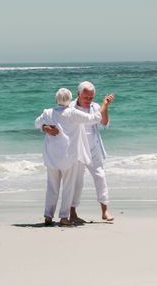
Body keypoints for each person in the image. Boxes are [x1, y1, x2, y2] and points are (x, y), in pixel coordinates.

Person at [34, 88, 110, 226]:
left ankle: (48, 216)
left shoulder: (47, 112)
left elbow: (36, 123)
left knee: (51, 187)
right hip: (68, 157)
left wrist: (45, 128)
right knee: (68, 187)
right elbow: (94, 118)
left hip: (51, 157)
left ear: (56, 99)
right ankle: (64, 218)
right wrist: (105, 104)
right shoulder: (72, 113)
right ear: (70, 100)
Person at [69, 81, 115, 223]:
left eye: (91, 97)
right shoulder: (70, 107)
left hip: (93, 148)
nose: (89, 100)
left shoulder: (96, 107)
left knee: (100, 176)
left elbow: (105, 123)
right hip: (77, 149)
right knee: (77, 181)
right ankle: (72, 212)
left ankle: (105, 211)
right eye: (86, 97)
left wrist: (105, 106)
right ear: (78, 94)